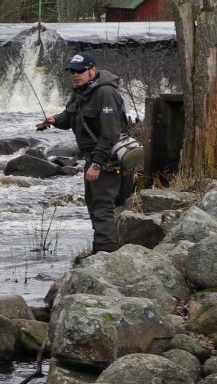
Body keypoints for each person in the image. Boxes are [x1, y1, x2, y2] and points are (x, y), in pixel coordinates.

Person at [37, 52, 142, 254]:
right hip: (91, 158)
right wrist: (54, 120)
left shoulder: (106, 93)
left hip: (106, 159)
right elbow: (69, 117)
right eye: (73, 71)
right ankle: (104, 249)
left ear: (92, 70)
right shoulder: (80, 91)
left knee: (102, 206)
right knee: (93, 205)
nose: (76, 75)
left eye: (80, 71)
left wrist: (97, 164)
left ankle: (105, 254)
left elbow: (110, 133)